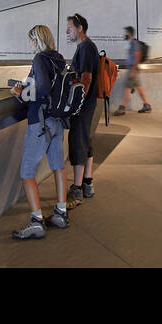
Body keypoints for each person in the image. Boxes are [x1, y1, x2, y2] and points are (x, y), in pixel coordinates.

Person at [10, 25, 70, 239]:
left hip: (41, 122)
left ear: (37, 40)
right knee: (58, 166)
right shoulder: (59, 58)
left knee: (27, 172)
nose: (31, 45)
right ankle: (61, 214)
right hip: (57, 121)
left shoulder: (40, 59)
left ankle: (36, 221)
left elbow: (42, 89)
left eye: (32, 40)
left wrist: (21, 92)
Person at [65, 14, 99, 203]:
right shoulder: (87, 47)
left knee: (77, 140)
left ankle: (77, 187)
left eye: (69, 27)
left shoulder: (85, 47)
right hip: (88, 103)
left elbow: (86, 78)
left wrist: (77, 103)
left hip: (83, 104)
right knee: (86, 139)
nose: (67, 31)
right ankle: (87, 183)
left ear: (79, 28)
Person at [114, 26, 152, 115]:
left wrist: (134, 70)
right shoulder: (131, 42)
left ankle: (123, 107)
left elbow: (138, 55)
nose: (125, 34)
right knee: (138, 87)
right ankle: (147, 105)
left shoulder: (134, 43)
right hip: (133, 68)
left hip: (133, 68)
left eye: (126, 32)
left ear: (129, 33)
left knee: (127, 87)